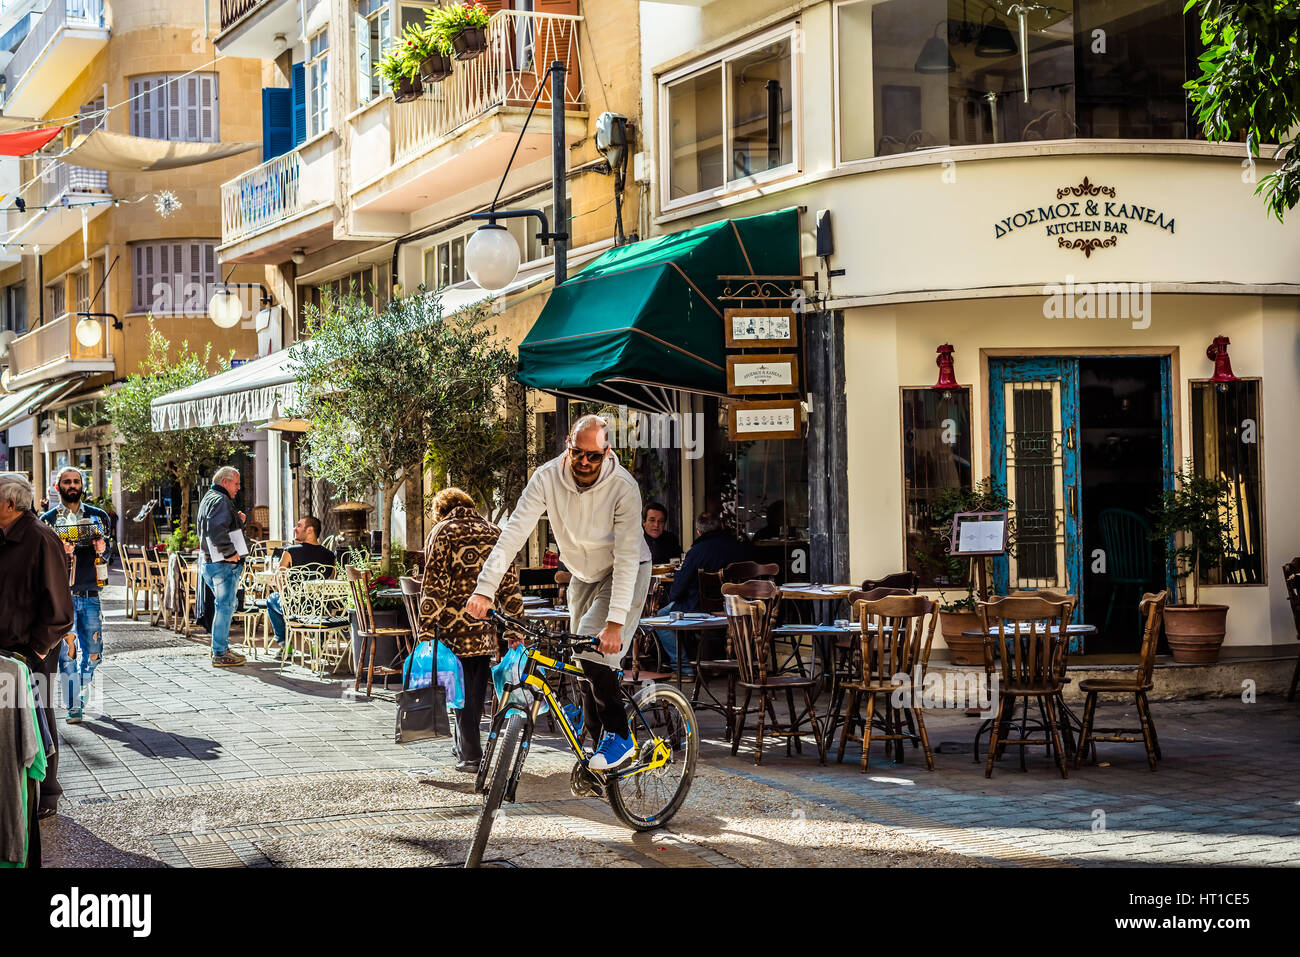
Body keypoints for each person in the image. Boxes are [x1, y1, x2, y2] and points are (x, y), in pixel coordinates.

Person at [467, 414, 652, 772]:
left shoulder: (623, 488)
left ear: (606, 452)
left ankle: (620, 735)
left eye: (593, 456)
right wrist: (484, 589)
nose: (584, 462)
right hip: (582, 574)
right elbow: (512, 535)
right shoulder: (547, 478)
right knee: (582, 659)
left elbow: (628, 556)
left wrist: (615, 622)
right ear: (567, 444)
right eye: (578, 452)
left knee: (597, 651)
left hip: (623, 570)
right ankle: (598, 757)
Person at [417, 488, 524, 772]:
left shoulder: (444, 531)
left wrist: (425, 629)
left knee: (457, 687)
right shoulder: (495, 532)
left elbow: (434, 584)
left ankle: (471, 754)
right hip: (484, 624)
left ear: (441, 510)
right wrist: (514, 625)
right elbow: (509, 582)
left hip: (452, 624)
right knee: (474, 688)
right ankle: (466, 747)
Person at [0, 473, 74, 820]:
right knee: (13, 719)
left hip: (32, 650)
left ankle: (48, 793)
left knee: (40, 716)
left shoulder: (41, 537)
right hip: (7, 650)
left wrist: (37, 651)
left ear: (9, 504)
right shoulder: (6, 534)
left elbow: (60, 608)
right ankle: (19, 786)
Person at [40, 467, 111, 724]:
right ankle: (74, 706)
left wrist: (103, 549)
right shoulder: (47, 520)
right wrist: (61, 551)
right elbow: (40, 561)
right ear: (58, 487)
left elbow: (108, 555)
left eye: (76, 481)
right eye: (67, 482)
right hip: (62, 597)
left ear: (83, 485)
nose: (72, 485)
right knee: (67, 654)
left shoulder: (97, 516)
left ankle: (78, 695)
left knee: (94, 653)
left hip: (90, 593)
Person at [656, 512, 748, 676]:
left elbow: (677, 592)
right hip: (738, 608)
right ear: (721, 526)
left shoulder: (697, 552)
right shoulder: (739, 547)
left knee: (658, 620)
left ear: (698, 532)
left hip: (700, 609)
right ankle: (735, 664)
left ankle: (683, 669)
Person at [197, 466, 247, 668]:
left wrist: (238, 521)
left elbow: (216, 526)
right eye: (236, 483)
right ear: (225, 482)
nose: (239, 487)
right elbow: (216, 530)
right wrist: (230, 553)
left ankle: (220, 647)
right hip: (222, 564)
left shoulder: (210, 497)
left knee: (226, 605)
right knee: (225, 607)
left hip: (211, 563)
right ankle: (220, 652)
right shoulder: (220, 500)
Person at [265, 515, 336, 652]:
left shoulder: (290, 551)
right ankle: (318, 643)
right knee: (321, 604)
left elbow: (278, 579)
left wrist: (285, 591)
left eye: (298, 525)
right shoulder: (330, 555)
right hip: (322, 608)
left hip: (295, 608)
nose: (294, 529)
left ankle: (285, 645)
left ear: (309, 530)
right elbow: (331, 584)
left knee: (271, 599)